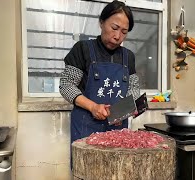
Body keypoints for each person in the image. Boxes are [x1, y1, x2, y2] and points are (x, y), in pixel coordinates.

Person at [59, 0, 140, 150]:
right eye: (114, 28)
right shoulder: (82, 49)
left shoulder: (128, 57)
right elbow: (66, 85)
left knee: (118, 170)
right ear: (101, 22)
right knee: (87, 170)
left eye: (124, 32)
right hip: (86, 126)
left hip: (118, 128)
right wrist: (93, 107)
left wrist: (123, 111)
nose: (117, 36)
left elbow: (133, 89)